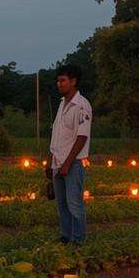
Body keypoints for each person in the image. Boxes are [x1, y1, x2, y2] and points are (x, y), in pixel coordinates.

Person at [49, 63, 91, 244]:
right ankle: (66, 237)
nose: (59, 84)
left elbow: (82, 137)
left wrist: (67, 164)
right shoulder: (62, 104)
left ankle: (79, 240)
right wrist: (49, 161)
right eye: (58, 81)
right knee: (61, 204)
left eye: (63, 80)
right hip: (57, 162)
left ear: (73, 81)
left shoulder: (81, 106)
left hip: (71, 163)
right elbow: (56, 135)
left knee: (74, 203)